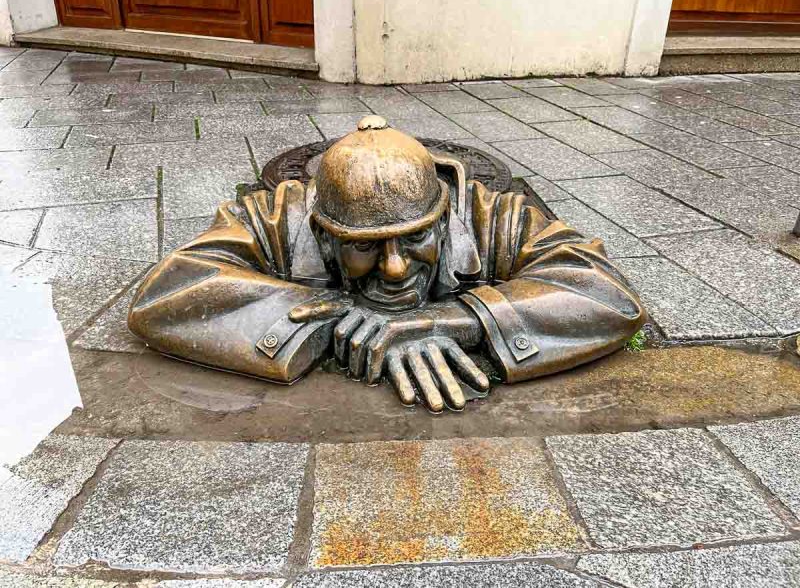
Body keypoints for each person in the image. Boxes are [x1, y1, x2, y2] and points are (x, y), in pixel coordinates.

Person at [129, 115, 645, 412]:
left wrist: (456, 320)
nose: (395, 269)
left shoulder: (492, 217)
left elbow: (604, 293)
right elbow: (166, 294)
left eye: (416, 237)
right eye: (363, 246)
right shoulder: (274, 218)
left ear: (444, 221)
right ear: (322, 235)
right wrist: (332, 319)